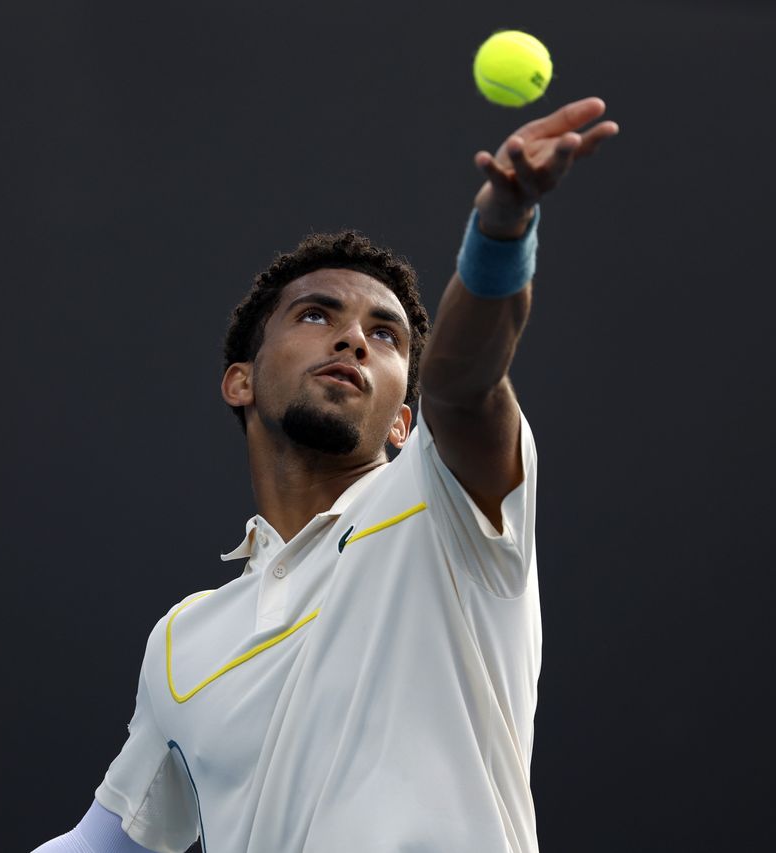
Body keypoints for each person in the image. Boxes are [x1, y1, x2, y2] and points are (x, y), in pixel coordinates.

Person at [33, 97, 619, 853]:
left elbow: (464, 385)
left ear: (405, 421)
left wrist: (501, 232)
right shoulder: (183, 640)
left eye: (386, 335)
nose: (353, 337)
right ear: (239, 380)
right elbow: (104, 844)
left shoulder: (441, 507)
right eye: (316, 314)